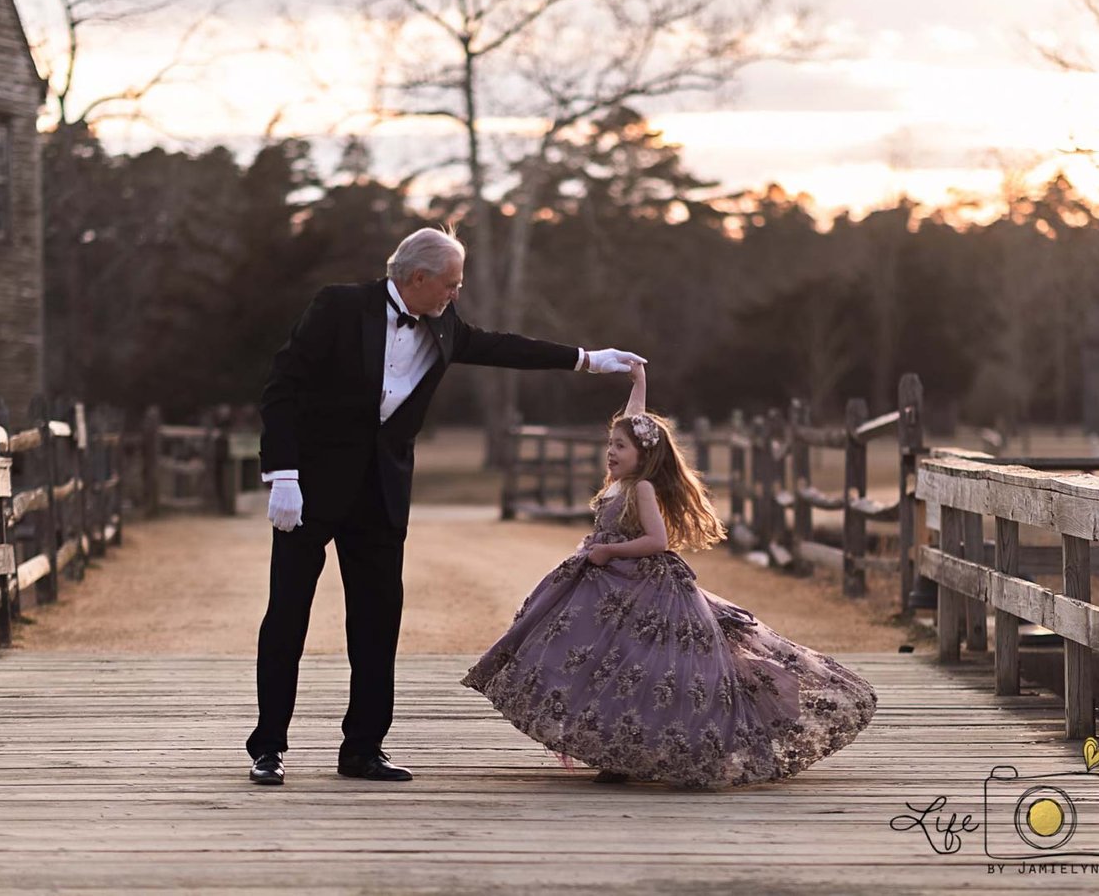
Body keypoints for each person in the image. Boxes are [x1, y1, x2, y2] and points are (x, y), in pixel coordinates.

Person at [248, 227, 647, 786]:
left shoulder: (442, 325)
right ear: (417, 278)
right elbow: (281, 388)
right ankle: (268, 747)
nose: (455, 294)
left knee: (378, 621)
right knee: (288, 614)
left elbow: (501, 346)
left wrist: (588, 359)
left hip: (380, 496)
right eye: (451, 284)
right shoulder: (338, 306)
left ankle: (363, 749)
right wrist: (283, 474)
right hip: (308, 489)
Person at [461, 362, 878, 787]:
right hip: (605, 584)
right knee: (601, 662)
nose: (611, 451)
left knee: (645, 667)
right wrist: (639, 383)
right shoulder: (621, 481)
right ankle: (616, 748)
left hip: (639, 583)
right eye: (610, 444)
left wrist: (608, 550)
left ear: (642, 454)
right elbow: (635, 423)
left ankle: (644, 750)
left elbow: (657, 540)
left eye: (619, 446)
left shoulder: (641, 487)